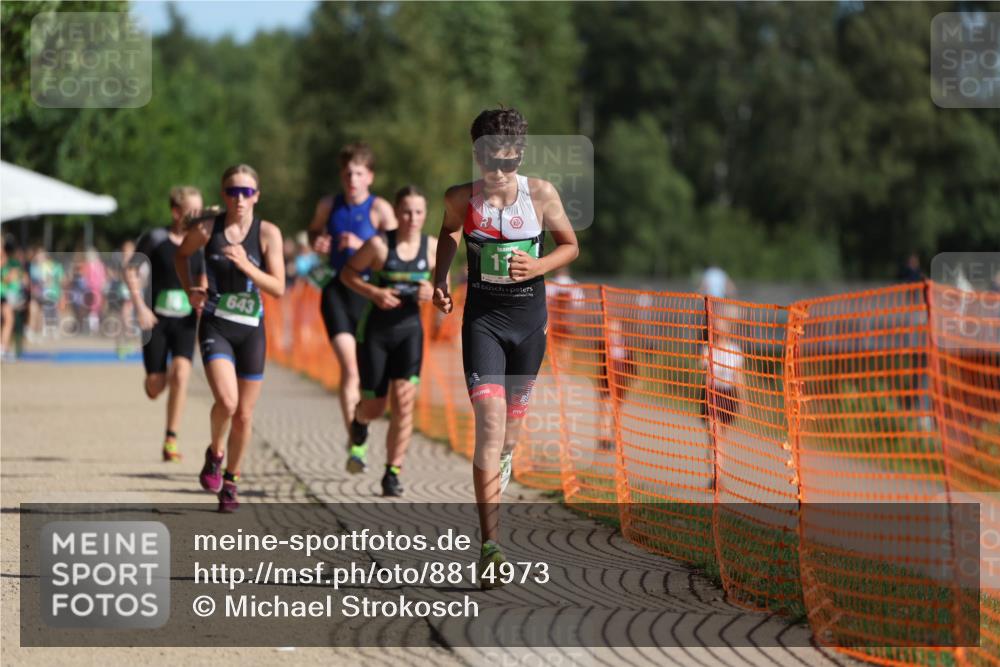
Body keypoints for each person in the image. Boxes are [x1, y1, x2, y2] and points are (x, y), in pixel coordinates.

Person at [433, 107, 579, 587]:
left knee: (509, 438)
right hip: (484, 323)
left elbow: (569, 246)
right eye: (490, 162)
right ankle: (490, 545)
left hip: (528, 325)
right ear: (476, 155)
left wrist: (538, 267)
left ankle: (504, 460)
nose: (499, 172)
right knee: (490, 425)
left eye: (509, 162)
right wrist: (440, 280)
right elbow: (449, 231)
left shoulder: (539, 195)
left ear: (520, 156)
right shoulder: (460, 198)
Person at [175, 165, 285, 512]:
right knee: (227, 401)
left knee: (244, 416)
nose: (240, 199)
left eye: (247, 192)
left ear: (257, 196)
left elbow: (278, 287)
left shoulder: (268, 233)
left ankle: (232, 480)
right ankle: (215, 453)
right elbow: (181, 254)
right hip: (216, 324)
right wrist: (190, 289)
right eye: (233, 192)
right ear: (224, 195)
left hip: (252, 329)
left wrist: (247, 266)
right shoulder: (208, 229)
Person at [340, 185, 437, 496]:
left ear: (425, 215)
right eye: (406, 211)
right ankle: (359, 421)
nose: (412, 218)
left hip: (410, 333)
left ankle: (392, 473)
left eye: (418, 212)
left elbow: (445, 288)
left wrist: (433, 292)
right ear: (396, 212)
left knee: (405, 405)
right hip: (375, 334)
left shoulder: (432, 247)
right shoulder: (379, 245)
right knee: (376, 406)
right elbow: (347, 274)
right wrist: (375, 292)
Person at [306, 142, 397, 462]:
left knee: (368, 373)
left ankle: (360, 425)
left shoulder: (380, 210)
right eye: (347, 173)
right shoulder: (329, 205)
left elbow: (397, 255)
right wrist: (317, 241)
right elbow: (313, 232)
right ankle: (356, 442)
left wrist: (363, 245)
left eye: (358, 173)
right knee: (350, 369)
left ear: (369, 176)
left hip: (369, 293)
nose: (352, 179)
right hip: (336, 292)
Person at [125, 187, 207, 462]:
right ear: (176, 212)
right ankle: (154, 381)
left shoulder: (200, 242)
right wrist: (140, 307)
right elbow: (130, 270)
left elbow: (201, 276)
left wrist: (201, 305)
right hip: (155, 320)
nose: (198, 216)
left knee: (182, 374)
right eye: (192, 211)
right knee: (156, 386)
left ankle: (171, 438)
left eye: (201, 210)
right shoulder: (155, 238)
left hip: (184, 320)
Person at [700, 317, 745, 489]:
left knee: (720, 440)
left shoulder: (735, 351)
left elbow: (738, 377)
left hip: (728, 395)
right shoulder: (707, 350)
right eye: (715, 331)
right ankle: (715, 477)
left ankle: (718, 473)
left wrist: (742, 399)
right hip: (712, 394)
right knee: (715, 435)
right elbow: (705, 377)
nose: (718, 334)